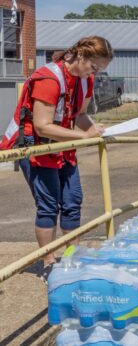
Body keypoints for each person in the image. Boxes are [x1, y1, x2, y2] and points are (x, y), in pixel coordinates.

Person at [1, 36, 113, 282]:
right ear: (81, 56)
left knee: (73, 202)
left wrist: (95, 130)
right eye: (94, 67)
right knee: (49, 205)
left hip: (64, 148)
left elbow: (80, 114)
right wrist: (84, 136)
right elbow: (42, 126)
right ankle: (48, 262)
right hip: (36, 148)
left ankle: (72, 257)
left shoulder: (85, 80)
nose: (94, 73)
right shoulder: (48, 79)